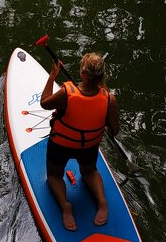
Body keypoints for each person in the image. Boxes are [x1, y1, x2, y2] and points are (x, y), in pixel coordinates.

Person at [40, 52, 120, 231]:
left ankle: (65, 205)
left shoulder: (66, 93)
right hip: (88, 147)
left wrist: (52, 75)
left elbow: (44, 103)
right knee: (89, 171)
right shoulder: (109, 99)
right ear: (102, 76)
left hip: (61, 145)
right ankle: (102, 201)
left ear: (83, 74)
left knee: (54, 175)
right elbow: (114, 131)